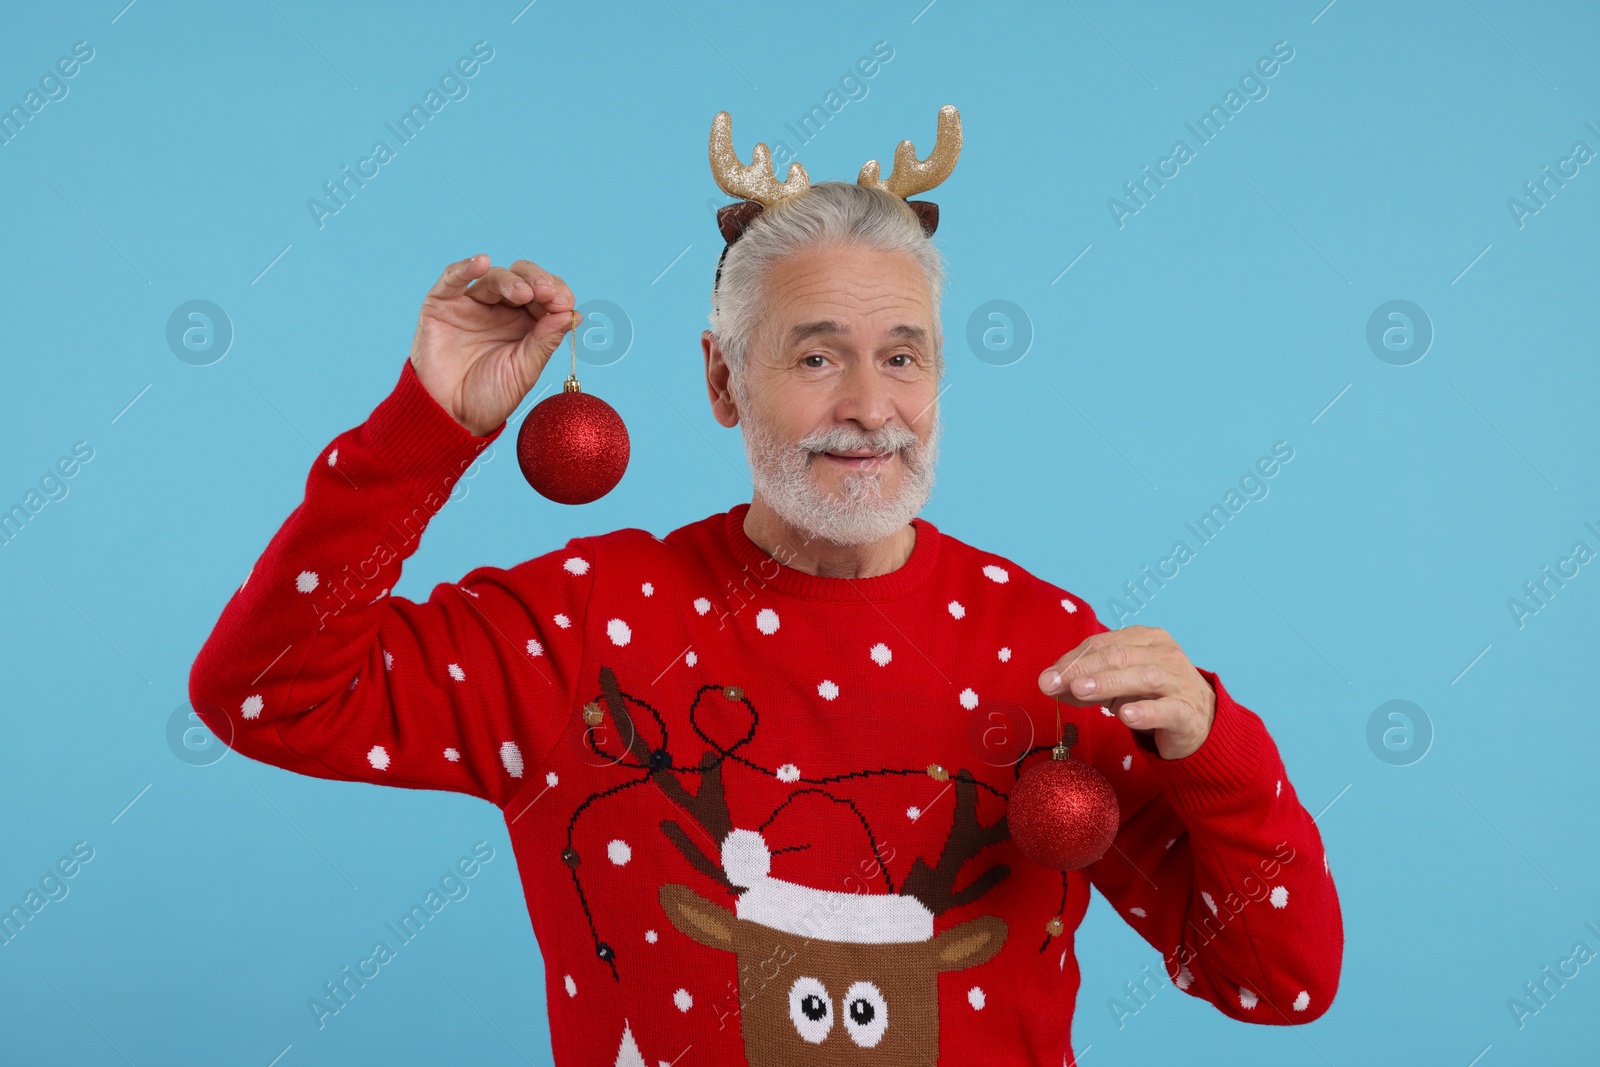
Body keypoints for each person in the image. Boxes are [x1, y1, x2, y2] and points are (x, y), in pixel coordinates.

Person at [188, 115, 1341, 1066]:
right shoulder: (585, 620)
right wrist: (425, 427)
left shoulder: (1048, 655)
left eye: (902, 354)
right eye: (814, 354)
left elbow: (1278, 981)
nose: (869, 406)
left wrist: (1217, 748)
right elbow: (264, 694)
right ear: (721, 380)